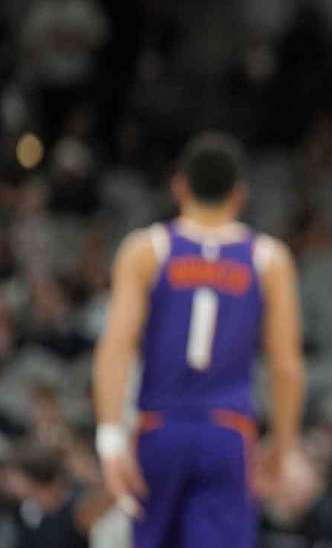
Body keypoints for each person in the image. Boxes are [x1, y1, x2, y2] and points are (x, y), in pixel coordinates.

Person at [91, 132, 306, 547]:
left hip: (158, 428)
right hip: (228, 432)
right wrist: (283, 443)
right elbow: (285, 365)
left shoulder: (146, 250)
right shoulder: (268, 258)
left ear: (179, 186)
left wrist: (110, 436)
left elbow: (116, 348)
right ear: (240, 194)